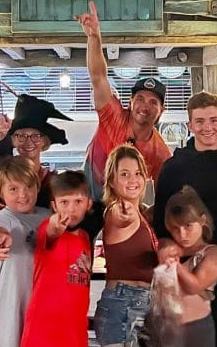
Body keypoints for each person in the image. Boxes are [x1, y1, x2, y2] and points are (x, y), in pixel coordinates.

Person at [154, 92, 217, 347]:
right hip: (191, 269)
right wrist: (170, 250)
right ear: (190, 125)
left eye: (213, 120)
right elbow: (161, 221)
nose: (207, 127)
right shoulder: (173, 168)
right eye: (199, 121)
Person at [77, 0, 172, 200]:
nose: (144, 106)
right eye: (140, 99)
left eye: (153, 102)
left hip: (125, 205)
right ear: (130, 102)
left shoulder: (160, 153)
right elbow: (98, 77)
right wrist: (94, 37)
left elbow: (164, 194)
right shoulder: (113, 116)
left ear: (162, 110)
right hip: (88, 195)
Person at [94, 146, 158, 347]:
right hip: (124, 307)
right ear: (112, 181)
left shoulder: (144, 214)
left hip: (141, 307)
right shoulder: (117, 209)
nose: (133, 179)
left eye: (138, 173)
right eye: (124, 174)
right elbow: (120, 216)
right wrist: (125, 214)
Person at [20, 171, 93, 347]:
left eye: (78, 201)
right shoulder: (47, 227)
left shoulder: (84, 237)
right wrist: (55, 225)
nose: (71, 208)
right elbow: (50, 231)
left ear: (88, 204)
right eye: (64, 202)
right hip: (42, 332)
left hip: (75, 331)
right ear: (54, 205)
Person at [0, 156, 52, 347]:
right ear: (1, 192)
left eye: (28, 186)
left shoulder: (49, 217)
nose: (23, 194)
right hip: (11, 308)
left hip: (45, 306)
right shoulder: (2, 217)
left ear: (37, 187)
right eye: (14, 189)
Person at [159, 185, 217, 347]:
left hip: (197, 329)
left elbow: (194, 286)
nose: (182, 235)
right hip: (166, 328)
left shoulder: (212, 252)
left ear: (202, 220)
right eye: (175, 228)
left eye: (188, 226)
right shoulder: (166, 246)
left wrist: (175, 265)